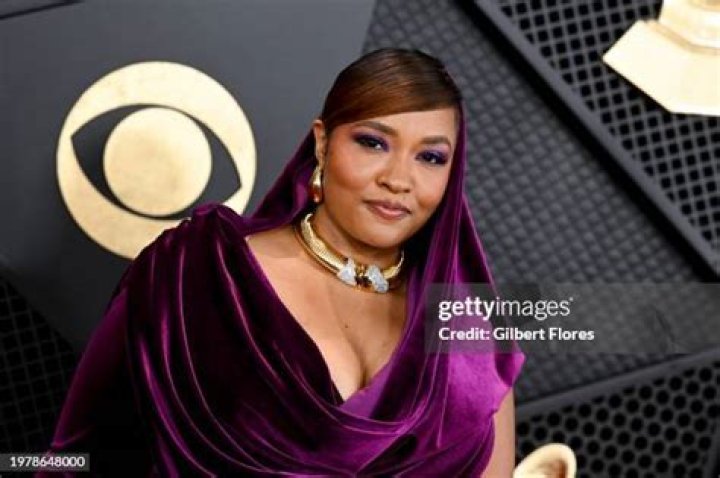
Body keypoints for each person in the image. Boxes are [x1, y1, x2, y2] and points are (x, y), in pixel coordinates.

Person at [38, 48, 525, 477]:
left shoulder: (470, 343)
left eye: (431, 158)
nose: (399, 179)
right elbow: (75, 459)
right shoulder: (197, 275)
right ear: (322, 142)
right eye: (373, 142)